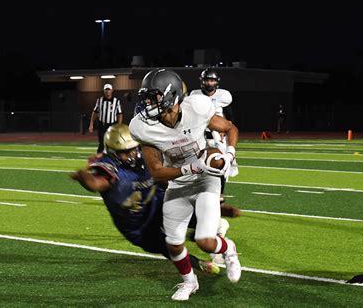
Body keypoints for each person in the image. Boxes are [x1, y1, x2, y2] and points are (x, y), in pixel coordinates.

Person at [129, 68, 241, 301]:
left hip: (206, 179)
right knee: (173, 243)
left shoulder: (197, 107)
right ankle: (190, 281)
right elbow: (157, 173)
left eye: (154, 96)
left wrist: (229, 155)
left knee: (205, 240)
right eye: (146, 97)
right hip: (178, 183)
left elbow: (230, 128)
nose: (148, 102)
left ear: (171, 96)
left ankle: (227, 248)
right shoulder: (143, 127)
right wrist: (190, 168)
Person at [70, 124, 220, 276]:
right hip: (137, 224)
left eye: (134, 148)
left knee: (191, 211)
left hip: (155, 203)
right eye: (125, 152)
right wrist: (82, 175)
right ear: (113, 152)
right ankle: (197, 263)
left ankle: (207, 235)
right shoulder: (110, 166)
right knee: (166, 246)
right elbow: (95, 183)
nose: (132, 155)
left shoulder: (145, 154)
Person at [190, 68, 240, 218]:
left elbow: (231, 118)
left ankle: (219, 195)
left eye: (212, 80)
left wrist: (225, 128)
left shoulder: (224, 96)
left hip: (219, 137)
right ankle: (199, 195)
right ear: (202, 81)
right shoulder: (194, 95)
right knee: (198, 165)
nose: (209, 83)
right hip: (200, 137)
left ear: (216, 82)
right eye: (207, 80)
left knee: (223, 166)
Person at [88, 83, 123, 154]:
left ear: (112, 90)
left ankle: (111, 159)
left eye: (109, 89)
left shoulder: (116, 101)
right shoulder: (99, 100)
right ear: (104, 91)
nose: (107, 91)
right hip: (102, 125)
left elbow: (119, 114)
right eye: (106, 90)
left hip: (111, 125)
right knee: (101, 142)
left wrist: (119, 125)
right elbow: (95, 112)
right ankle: (99, 160)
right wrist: (91, 124)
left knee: (111, 143)